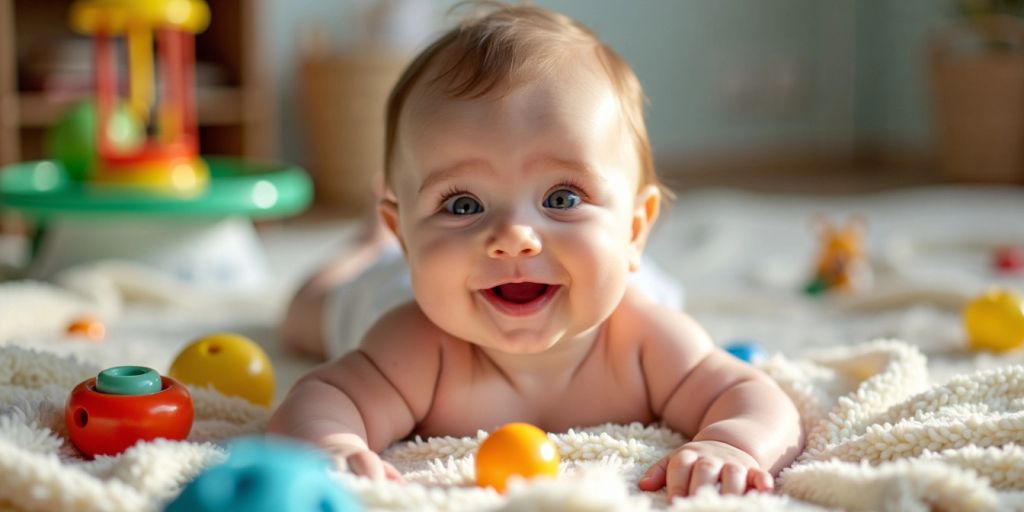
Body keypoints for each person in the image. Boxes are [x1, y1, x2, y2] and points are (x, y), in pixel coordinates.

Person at [269, 3, 803, 499]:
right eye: (461, 204)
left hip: (590, 272)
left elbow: (755, 399)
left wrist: (731, 443)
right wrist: (331, 445)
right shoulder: (413, 348)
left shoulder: (644, 338)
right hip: (383, 289)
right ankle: (368, 245)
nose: (513, 236)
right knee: (306, 310)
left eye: (561, 197)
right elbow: (321, 401)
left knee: (635, 283)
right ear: (407, 234)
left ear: (637, 229)